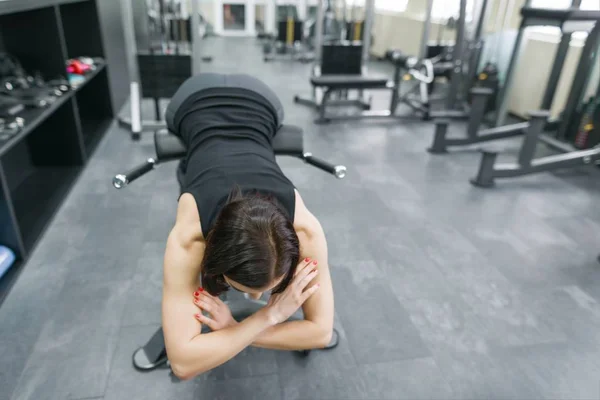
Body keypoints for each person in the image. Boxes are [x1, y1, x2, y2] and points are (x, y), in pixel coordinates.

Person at [161, 73, 334, 380]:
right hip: (192, 99)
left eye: (271, 290)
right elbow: (183, 363)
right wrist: (270, 315)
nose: (259, 298)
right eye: (245, 290)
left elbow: (321, 333)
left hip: (260, 99)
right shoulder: (189, 238)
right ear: (212, 262)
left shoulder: (305, 230)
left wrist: (237, 330)